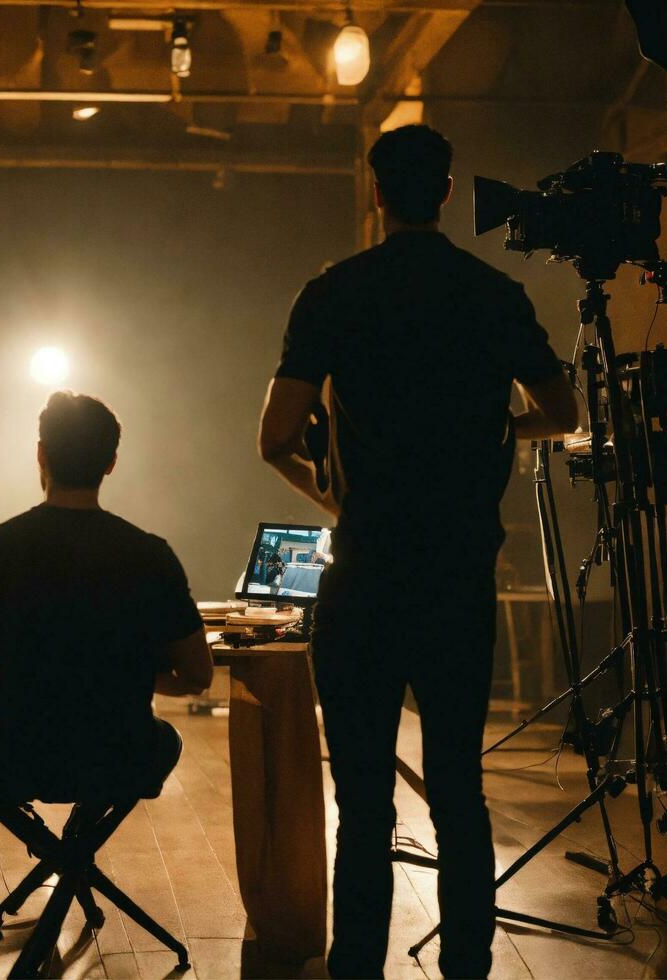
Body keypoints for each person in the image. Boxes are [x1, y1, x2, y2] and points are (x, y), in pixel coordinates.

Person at [258, 125, 578, 978]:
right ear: (444, 193)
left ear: (376, 196)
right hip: (456, 581)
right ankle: (467, 967)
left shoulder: (330, 293)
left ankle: (356, 966)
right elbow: (565, 413)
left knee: (360, 804)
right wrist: (495, 429)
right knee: (459, 794)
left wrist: (334, 496)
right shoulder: (493, 293)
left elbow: (273, 438)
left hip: (363, 578)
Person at [0, 392, 214, 975]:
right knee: (162, 738)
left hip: (16, 758)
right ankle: (72, 857)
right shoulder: (151, 556)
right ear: (110, 462)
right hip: (126, 755)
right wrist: (133, 672)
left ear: (39, 455)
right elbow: (196, 677)